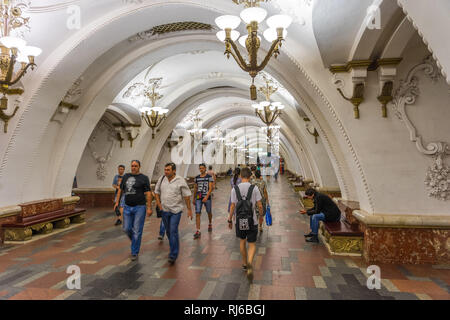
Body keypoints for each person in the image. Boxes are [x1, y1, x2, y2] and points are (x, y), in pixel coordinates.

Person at [228, 167, 263, 282]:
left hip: (240, 220)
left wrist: (229, 219)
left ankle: (244, 263)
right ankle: (249, 262)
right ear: (250, 176)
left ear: (240, 176)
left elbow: (232, 206)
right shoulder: (254, 188)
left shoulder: (234, 189)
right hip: (252, 220)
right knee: (252, 244)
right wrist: (261, 215)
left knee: (242, 241)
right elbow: (259, 205)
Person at [155, 163, 193, 265]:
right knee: (168, 232)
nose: (166, 171)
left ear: (174, 171)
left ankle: (173, 254)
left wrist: (189, 209)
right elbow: (156, 192)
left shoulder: (180, 180)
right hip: (164, 210)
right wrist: (159, 205)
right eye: (165, 169)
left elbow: (187, 196)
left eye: (168, 170)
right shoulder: (162, 179)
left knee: (173, 230)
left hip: (176, 211)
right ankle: (173, 247)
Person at [114, 160, 152, 261]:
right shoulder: (126, 176)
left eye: (135, 166)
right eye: (132, 166)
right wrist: (117, 202)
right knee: (126, 228)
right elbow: (120, 191)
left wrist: (149, 207)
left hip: (140, 207)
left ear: (139, 167)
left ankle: (134, 252)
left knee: (137, 230)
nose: (133, 167)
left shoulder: (144, 178)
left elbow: (148, 193)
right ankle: (135, 241)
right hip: (127, 206)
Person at [193, 163, 214, 239]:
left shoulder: (209, 177)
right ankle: (198, 230)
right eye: (200, 168)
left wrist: (207, 196)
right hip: (199, 197)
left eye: (202, 168)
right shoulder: (197, 178)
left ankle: (210, 223)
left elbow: (211, 188)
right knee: (197, 213)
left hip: (207, 197)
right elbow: (195, 188)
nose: (201, 169)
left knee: (209, 211)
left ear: (205, 169)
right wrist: (194, 198)